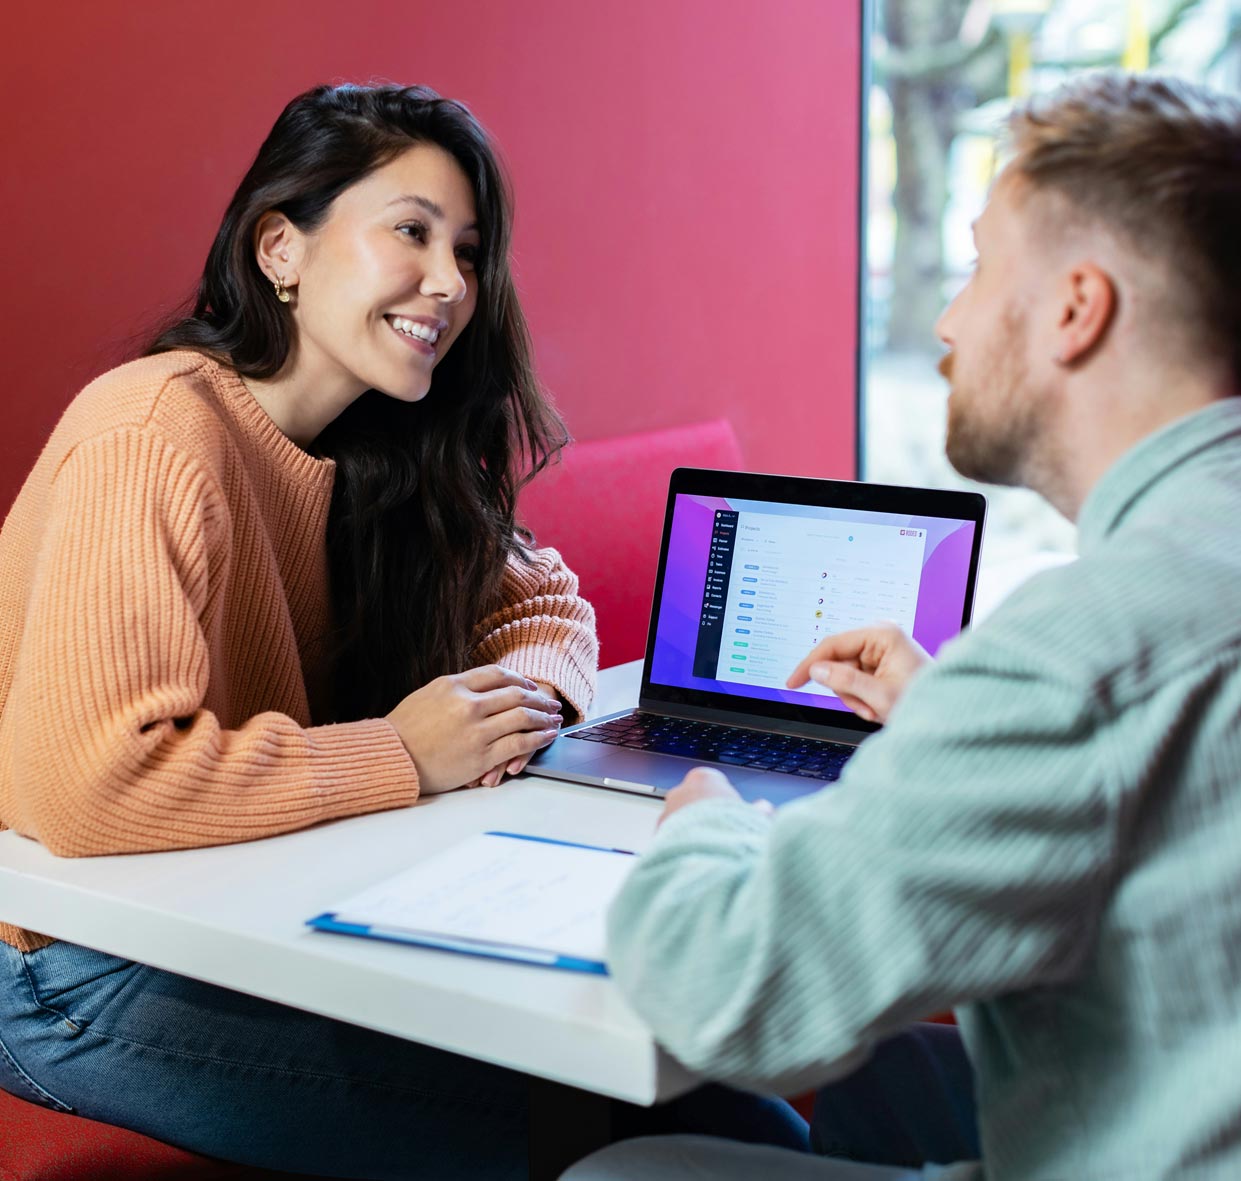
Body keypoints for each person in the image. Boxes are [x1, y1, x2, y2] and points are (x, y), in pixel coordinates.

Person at [563, 71, 1241, 1180]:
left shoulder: (1073, 653)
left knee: (615, 1172)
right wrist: (952, 721)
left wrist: (708, 822)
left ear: (1076, 307)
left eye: (977, 266)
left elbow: (721, 988)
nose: (945, 316)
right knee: (882, 1067)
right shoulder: (1114, 643)